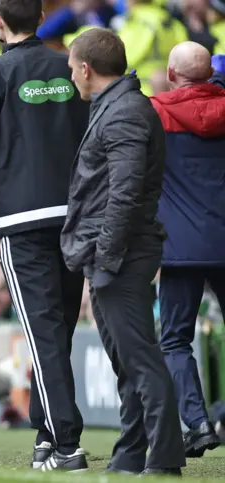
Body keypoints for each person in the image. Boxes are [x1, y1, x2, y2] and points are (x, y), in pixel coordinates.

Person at [0, 0, 89, 472]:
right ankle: (47, 432)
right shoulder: (71, 67)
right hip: (74, 217)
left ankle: (66, 443)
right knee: (59, 330)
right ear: (42, 17)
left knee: (43, 331)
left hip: (22, 222)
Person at [62, 28, 186, 476]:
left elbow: (125, 194)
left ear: (86, 68)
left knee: (139, 358)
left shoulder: (126, 112)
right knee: (127, 361)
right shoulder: (119, 106)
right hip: (113, 251)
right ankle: (131, 452)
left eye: (72, 67)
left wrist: (107, 260)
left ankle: (166, 455)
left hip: (121, 254)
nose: (71, 75)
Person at [151, 41, 225, 458]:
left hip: (180, 248)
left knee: (175, 341)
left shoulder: (156, 112)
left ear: (172, 73)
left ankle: (198, 424)